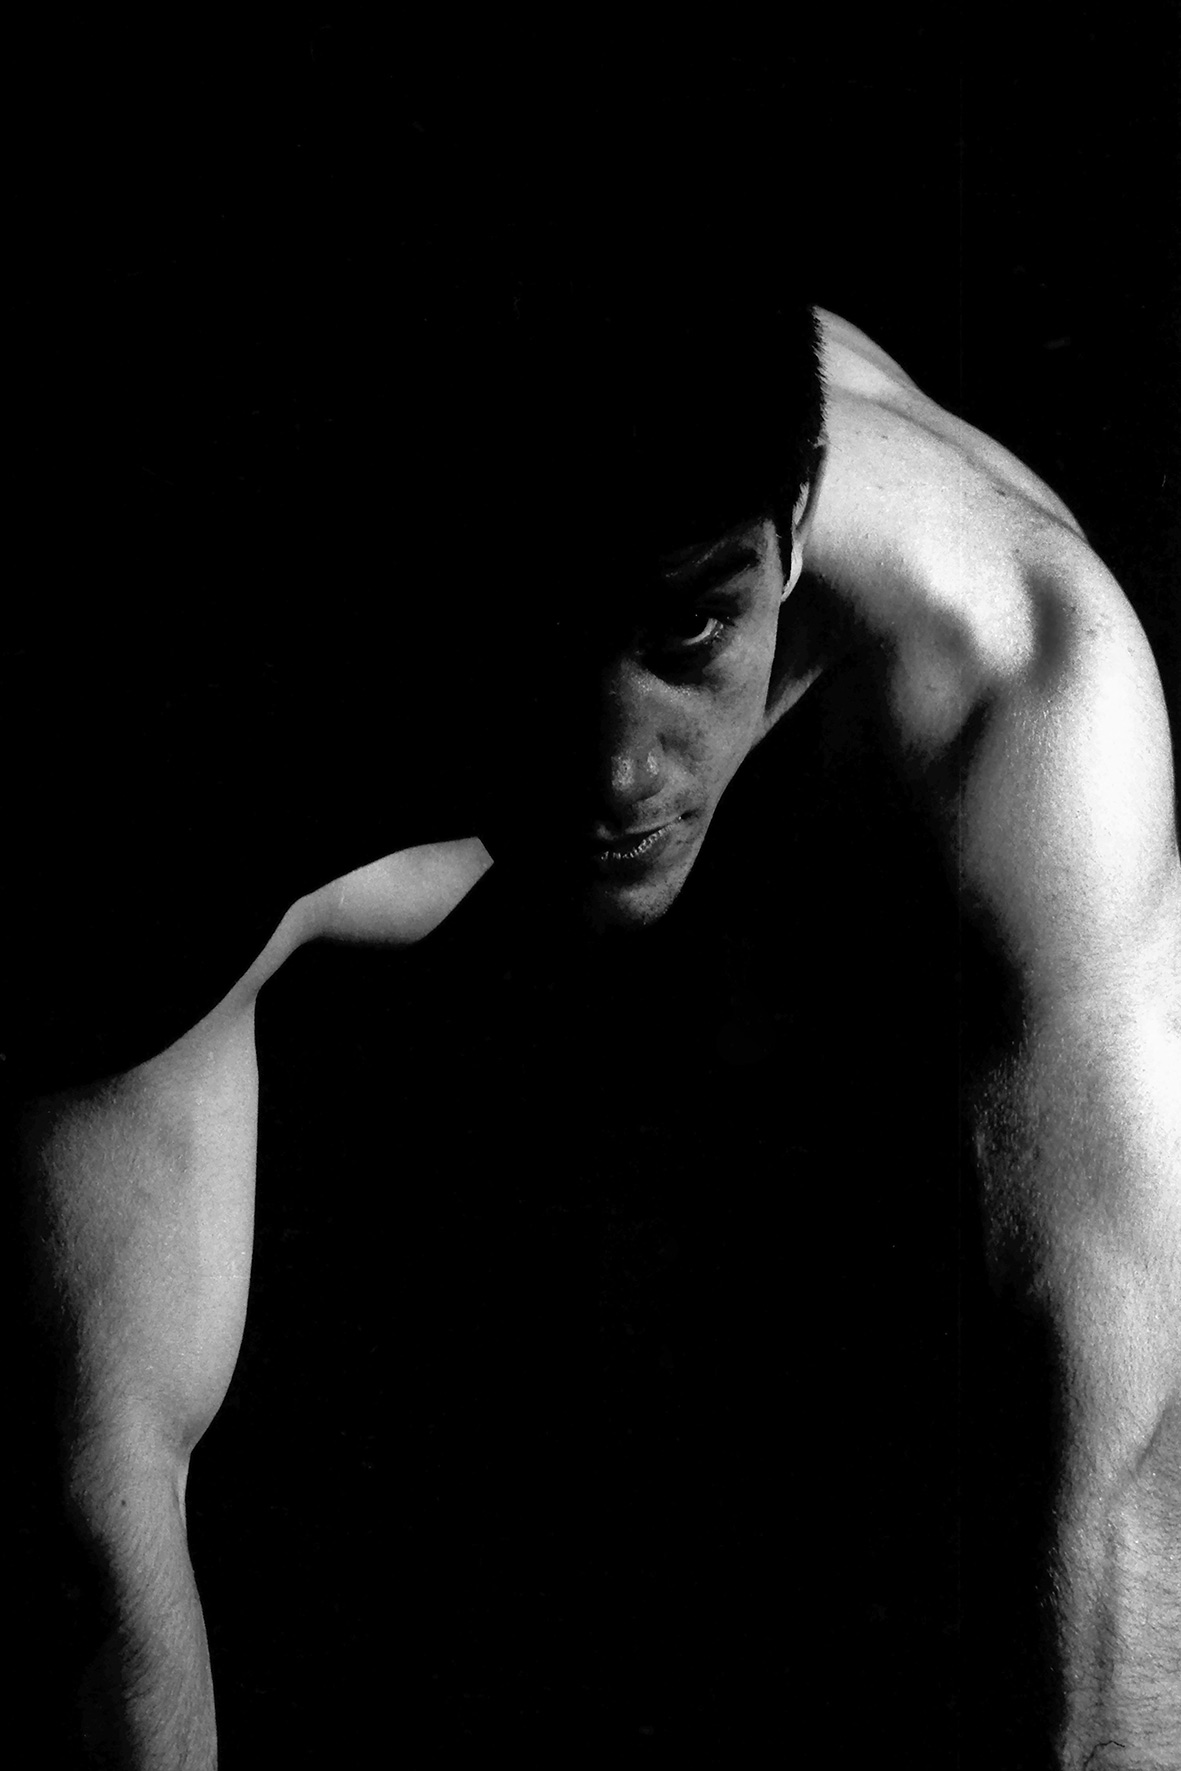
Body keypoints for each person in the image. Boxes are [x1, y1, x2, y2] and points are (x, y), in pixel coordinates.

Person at [11, 281, 1180, 1768]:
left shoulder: (1011, 678)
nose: (620, 768)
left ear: (794, 527)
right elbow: (103, 1519)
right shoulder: (199, 728)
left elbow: (1117, 1473)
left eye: (689, 628)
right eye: (539, 642)